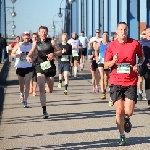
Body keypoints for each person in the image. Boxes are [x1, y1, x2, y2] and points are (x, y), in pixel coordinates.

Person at [104, 22, 144, 146]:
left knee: (129, 111)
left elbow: (141, 58)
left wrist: (138, 65)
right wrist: (113, 61)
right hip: (116, 81)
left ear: (128, 30)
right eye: (121, 29)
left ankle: (127, 119)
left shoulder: (135, 43)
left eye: (125, 29)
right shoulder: (112, 45)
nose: (123, 31)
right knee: (119, 110)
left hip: (131, 81)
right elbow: (105, 65)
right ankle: (122, 136)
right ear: (117, 31)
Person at [26, 26, 62, 119]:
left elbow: (60, 51)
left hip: (50, 67)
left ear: (47, 33)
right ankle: (44, 111)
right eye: (42, 32)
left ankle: (47, 87)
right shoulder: (35, 43)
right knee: (41, 89)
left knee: (50, 90)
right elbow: (31, 51)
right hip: (40, 67)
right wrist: (28, 56)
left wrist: (53, 54)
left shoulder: (52, 42)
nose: (43, 34)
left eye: (45, 32)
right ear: (38, 33)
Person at [11, 32, 33, 108]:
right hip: (20, 67)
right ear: (23, 38)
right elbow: (12, 54)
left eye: (28, 38)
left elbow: (36, 54)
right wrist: (18, 55)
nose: (27, 40)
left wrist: (32, 57)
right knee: (21, 86)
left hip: (29, 66)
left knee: (27, 84)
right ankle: (21, 94)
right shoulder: (19, 45)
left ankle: (25, 101)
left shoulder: (31, 45)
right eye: (25, 38)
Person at [95, 31, 110, 100]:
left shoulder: (110, 44)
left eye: (107, 35)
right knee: (102, 77)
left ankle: (105, 88)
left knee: (106, 77)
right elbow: (96, 50)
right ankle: (103, 92)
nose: (105, 37)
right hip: (101, 61)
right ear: (102, 36)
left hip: (107, 61)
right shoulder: (99, 44)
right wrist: (97, 57)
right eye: (104, 35)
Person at [138, 28, 150, 108]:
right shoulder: (141, 42)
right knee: (148, 82)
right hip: (145, 65)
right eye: (149, 32)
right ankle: (149, 101)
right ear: (145, 33)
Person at [137, 29, 146, 101]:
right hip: (141, 64)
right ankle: (140, 92)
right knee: (140, 79)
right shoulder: (139, 43)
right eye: (143, 34)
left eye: (145, 34)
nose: (144, 35)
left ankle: (148, 94)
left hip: (148, 63)